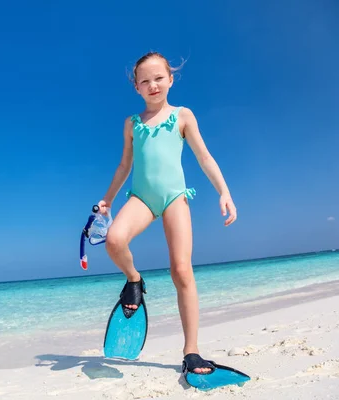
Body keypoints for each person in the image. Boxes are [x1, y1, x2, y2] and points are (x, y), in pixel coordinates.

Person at [97, 52, 237, 374]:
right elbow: (124, 166)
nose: (153, 85)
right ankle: (134, 279)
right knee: (114, 240)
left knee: (181, 270)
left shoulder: (183, 116)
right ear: (136, 87)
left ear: (170, 79)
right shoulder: (132, 124)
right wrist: (107, 200)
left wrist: (224, 192)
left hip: (174, 197)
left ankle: (191, 351)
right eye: (144, 81)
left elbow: (204, 158)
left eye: (159, 78)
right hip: (142, 197)